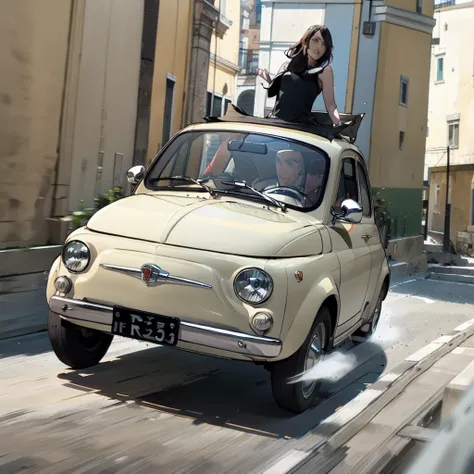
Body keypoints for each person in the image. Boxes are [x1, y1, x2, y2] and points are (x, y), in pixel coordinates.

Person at [257, 25, 342, 127]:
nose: (319, 47)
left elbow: (331, 105)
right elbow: (278, 93)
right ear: (304, 41)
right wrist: (267, 79)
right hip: (276, 123)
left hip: (300, 128)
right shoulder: (286, 66)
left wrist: (339, 125)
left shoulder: (324, 72)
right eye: (316, 40)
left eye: (324, 44)